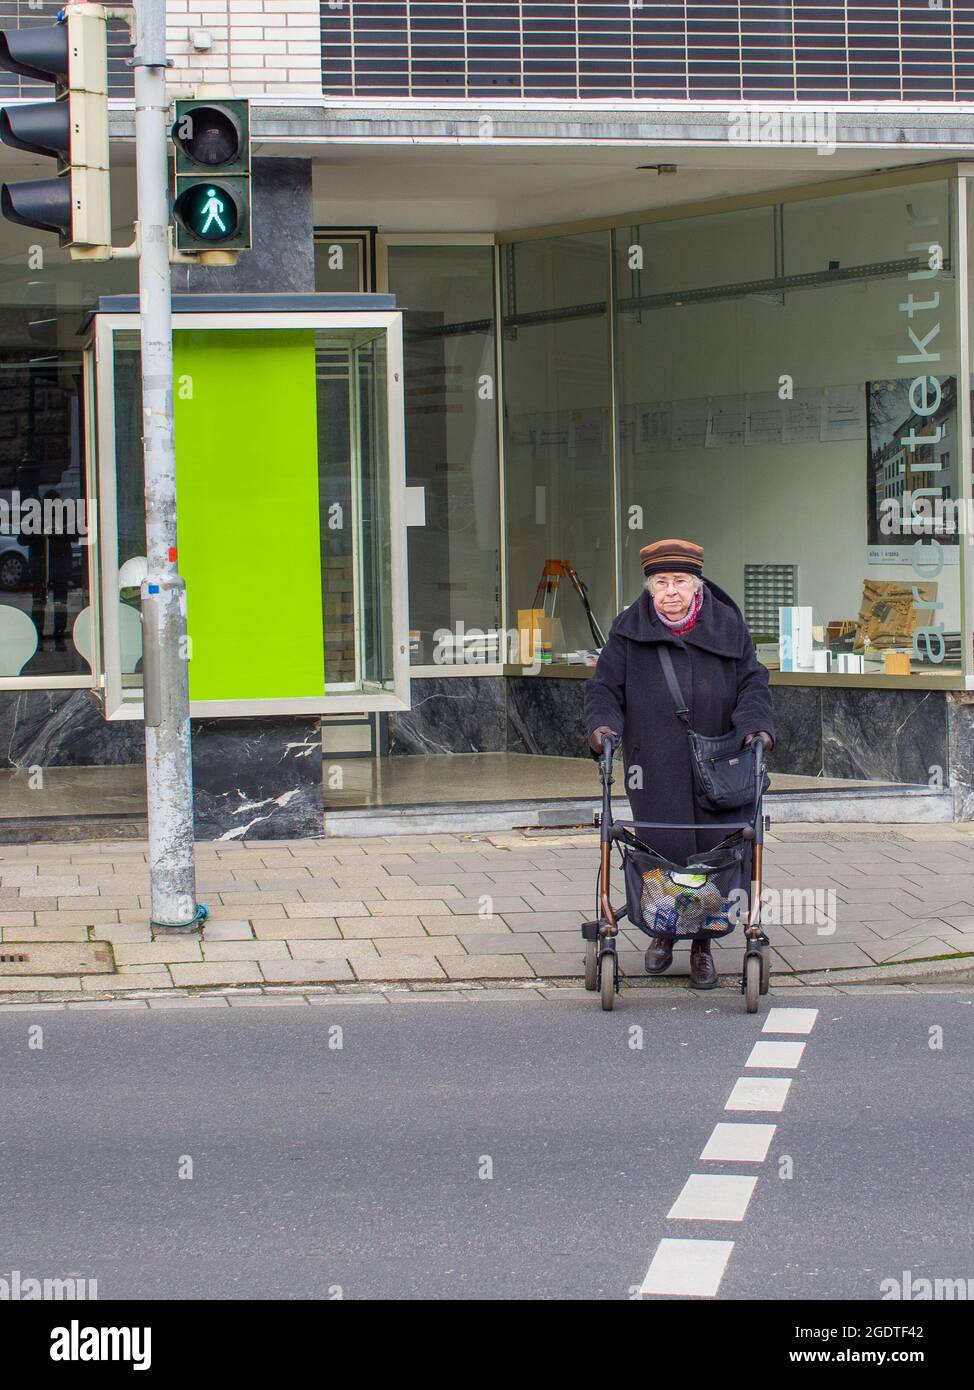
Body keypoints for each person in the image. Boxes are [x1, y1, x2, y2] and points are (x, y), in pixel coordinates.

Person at [584, 539, 774, 990]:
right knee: (663, 852)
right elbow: (603, 689)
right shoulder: (629, 632)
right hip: (656, 768)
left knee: (713, 855)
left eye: (680, 582)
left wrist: (756, 728)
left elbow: (754, 684)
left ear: (697, 584)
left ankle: (703, 945)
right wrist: (602, 728)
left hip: (720, 767)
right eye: (661, 582)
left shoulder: (728, 628)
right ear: (650, 587)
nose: (671, 591)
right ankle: (665, 933)